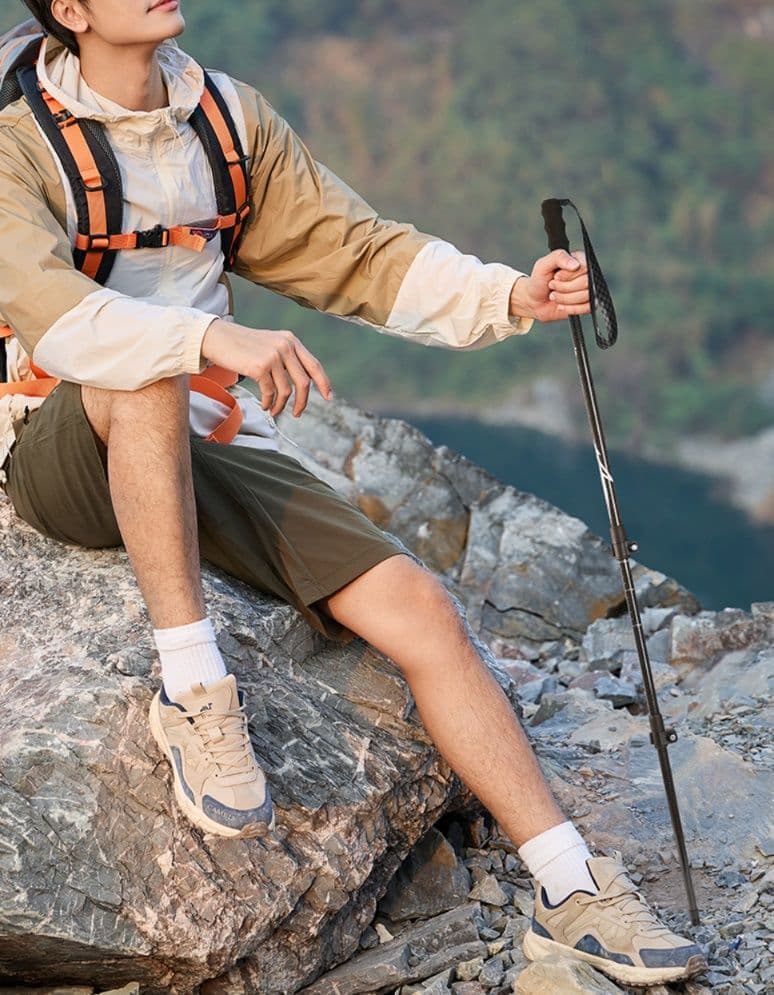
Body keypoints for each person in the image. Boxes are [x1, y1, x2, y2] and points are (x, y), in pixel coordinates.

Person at [0, 0, 707, 987]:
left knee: (417, 604)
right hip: (61, 443)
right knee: (146, 370)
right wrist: (213, 338)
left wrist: (511, 293)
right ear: (70, 12)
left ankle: (570, 881)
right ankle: (195, 688)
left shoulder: (225, 120)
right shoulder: (17, 142)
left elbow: (355, 249)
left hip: (206, 440)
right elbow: (54, 310)